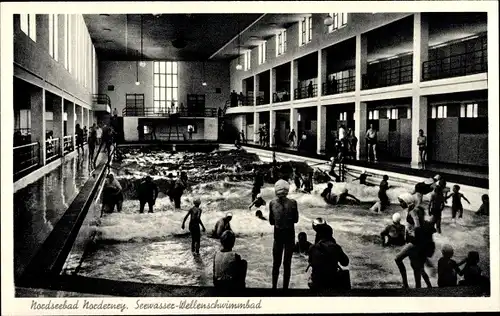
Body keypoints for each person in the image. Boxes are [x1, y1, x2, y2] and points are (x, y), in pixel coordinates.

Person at [394, 193, 434, 288]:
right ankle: (426, 286)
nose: (400, 204)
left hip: (414, 242)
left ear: (407, 201)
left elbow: (417, 225)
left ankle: (405, 284)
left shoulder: (412, 211)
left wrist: (412, 234)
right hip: (416, 242)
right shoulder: (413, 210)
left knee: (398, 259)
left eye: (401, 202)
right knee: (418, 267)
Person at [269, 180, 299, 290]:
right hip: (289, 236)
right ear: (287, 190)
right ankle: (285, 288)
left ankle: (274, 288)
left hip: (278, 236)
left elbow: (271, 222)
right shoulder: (293, 202)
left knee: (276, 264)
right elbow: (296, 220)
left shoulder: (272, 203)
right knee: (287, 264)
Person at [308, 218, 350, 291]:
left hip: (317, 281)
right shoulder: (336, 247)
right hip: (332, 281)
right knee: (345, 273)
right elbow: (345, 263)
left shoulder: (312, 248)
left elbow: (311, 262)